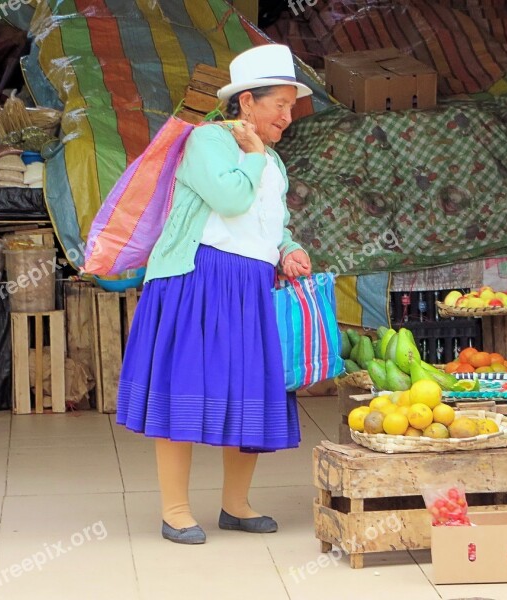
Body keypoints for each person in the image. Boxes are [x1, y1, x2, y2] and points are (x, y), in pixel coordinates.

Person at [116, 44, 313, 544]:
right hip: (196, 281)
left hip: (250, 286)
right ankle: (176, 510)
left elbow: (272, 221)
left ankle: (235, 504)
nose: (288, 117)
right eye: (279, 106)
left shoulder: (272, 161)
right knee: (185, 388)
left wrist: (288, 248)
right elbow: (229, 199)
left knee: (250, 390)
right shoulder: (208, 141)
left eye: (291, 107)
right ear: (247, 102)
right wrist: (251, 157)